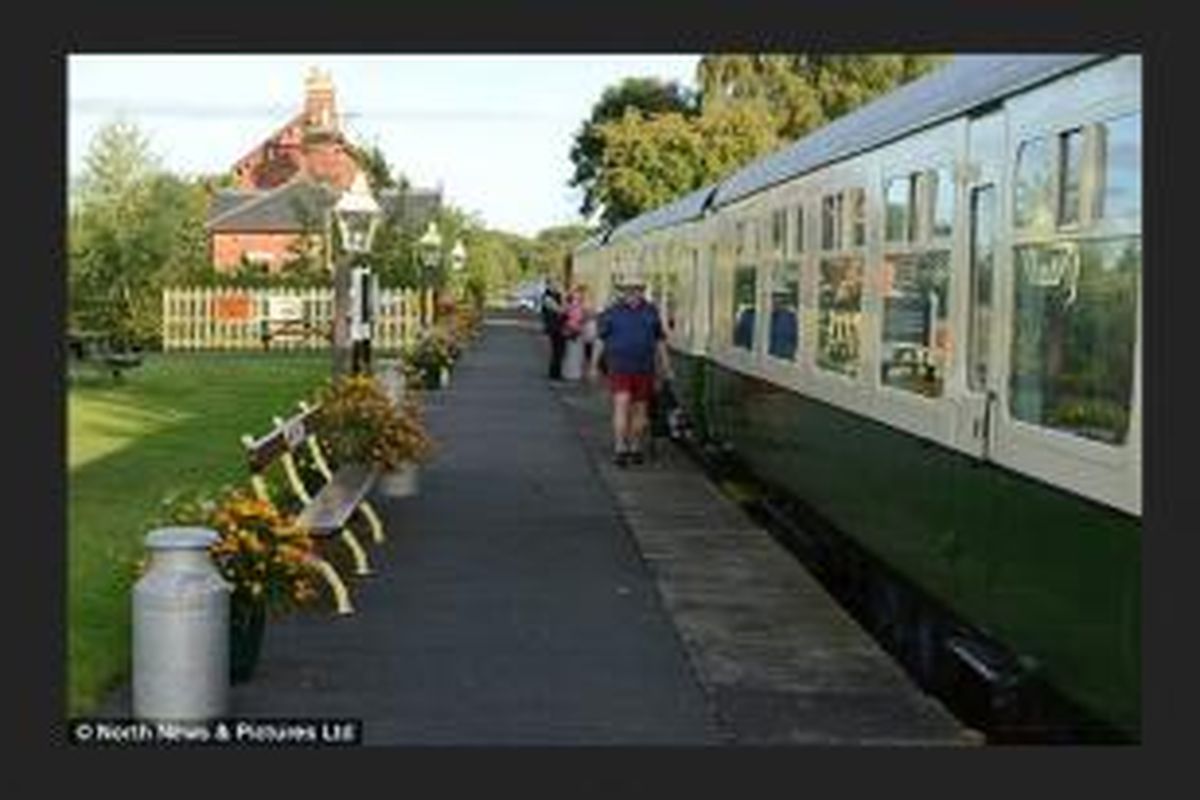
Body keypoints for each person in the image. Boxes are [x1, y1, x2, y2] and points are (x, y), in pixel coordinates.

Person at [595, 275, 673, 467]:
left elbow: (660, 342)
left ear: (640, 290)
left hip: (642, 368)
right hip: (622, 367)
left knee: (638, 410)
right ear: (623, 292)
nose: (632, 293)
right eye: (629, 290)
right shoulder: (616, 312)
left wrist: (666, 366)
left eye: (636, 290)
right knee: (625, 407)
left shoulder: (645, 312)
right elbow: (600, 340)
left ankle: (631, 447)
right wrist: (593, 364)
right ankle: (625, 447)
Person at [540, 278, 566, 380]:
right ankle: (555, 373)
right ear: (548, 285)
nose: (556, 286)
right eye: (554, 284)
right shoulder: (547, 297)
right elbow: (560, 310)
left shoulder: (556, 296)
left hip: (558, 326)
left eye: (557, 284)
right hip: (554, 327)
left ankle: (556, 372)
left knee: (559, 350)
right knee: (557, 350)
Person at [561, 286, 586, 381]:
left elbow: (583, 318)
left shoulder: (580, 306)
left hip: (577, 330)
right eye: (576, 295)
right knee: (571, 352)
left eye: (578, 295)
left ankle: (574, 373)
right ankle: (570, 373)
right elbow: (565, 315)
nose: (577, 297)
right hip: (571, 329)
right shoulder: (570, 306)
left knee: (576, 352)